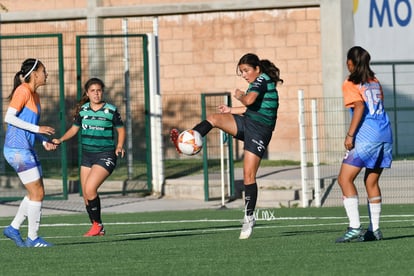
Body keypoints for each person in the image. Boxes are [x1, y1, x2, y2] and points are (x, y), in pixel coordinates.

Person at [170, 53, 283, 239]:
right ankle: (187, 139)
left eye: (246, 71)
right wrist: (231, 111)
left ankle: (249, 217)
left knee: (248, 175)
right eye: (241, 72)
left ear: (257, 69)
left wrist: (240, 95)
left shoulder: (262, 80)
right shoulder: (258, 81)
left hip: (260, 131)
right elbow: (251, 108)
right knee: (214, 119)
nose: (244, 75)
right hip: (248, 122)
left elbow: (249, 101)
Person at [52, 77, 125, 236]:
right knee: (86, 194)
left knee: (91, 189)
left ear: (102, 92)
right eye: (93, 91)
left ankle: (97, 225)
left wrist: (119, 146)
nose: (96, 94)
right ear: (87, 93)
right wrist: (61, 139)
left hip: (105, 155)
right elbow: (74, 129)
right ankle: (98, 227)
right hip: (87, 156)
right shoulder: (83, 110)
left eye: (99, 90)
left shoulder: (111, 110)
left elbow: (120, 129)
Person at [335, 46, 393, 243]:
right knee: (371, 182)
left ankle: (354, 227)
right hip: (385, 134)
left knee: (344, 179)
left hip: (367, 137)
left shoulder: (350, 82)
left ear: (351, 63)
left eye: (347, 60)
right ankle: (374, 230)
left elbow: (359, 107)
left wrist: (350, 135)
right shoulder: (374, 82)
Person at [3, 58, 57, 247]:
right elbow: (9, 117)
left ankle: (13, 228)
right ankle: (33, 238)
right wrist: (38, 130)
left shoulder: (35, 95)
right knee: (38, 192)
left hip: (26, 149)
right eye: (44, 71)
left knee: (36, 192)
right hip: (16, 150)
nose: (46, 74)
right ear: (34, 74)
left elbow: (33, 126)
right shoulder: (23, 90)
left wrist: (44, 142)